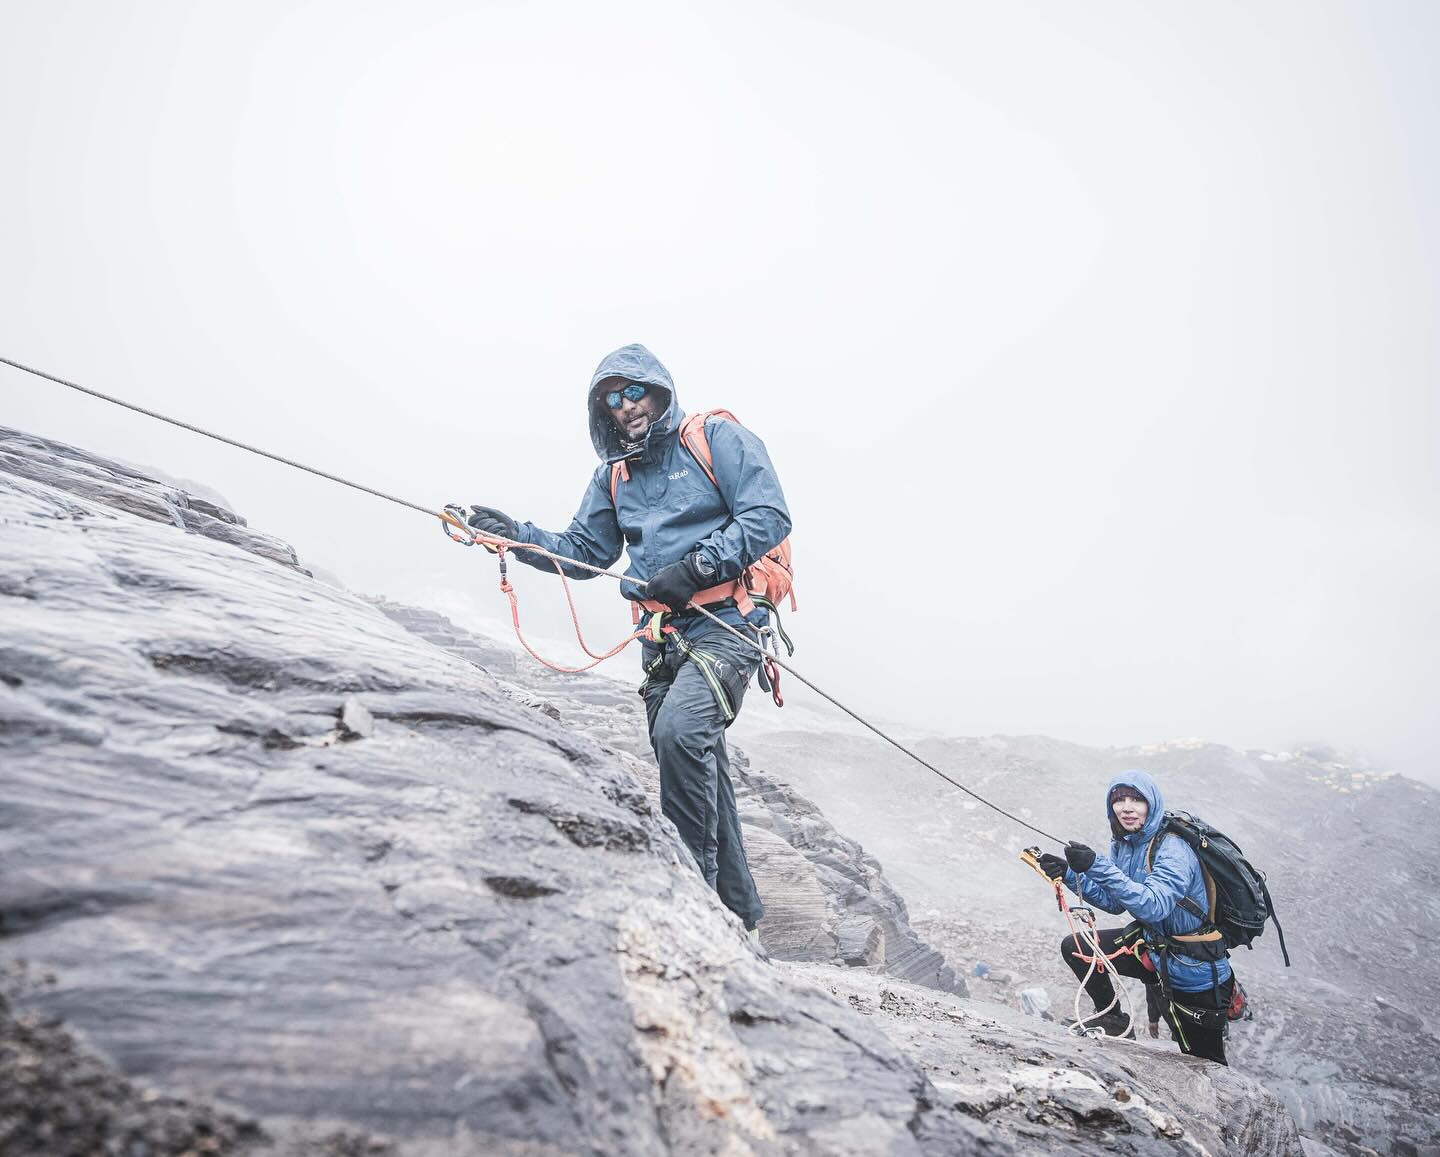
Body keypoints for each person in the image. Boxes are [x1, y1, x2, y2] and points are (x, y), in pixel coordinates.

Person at [466, 344, 791, 933]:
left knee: (680, 734)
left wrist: (695, 569)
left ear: (659, 390)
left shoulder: (715, 439)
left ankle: (692, 895)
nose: (626, 407)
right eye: (612, 400)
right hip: (661, 638)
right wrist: (517, 536)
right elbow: (587, 555)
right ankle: (738, 916)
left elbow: (768, 516)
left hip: (729, 625)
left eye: (634, 391)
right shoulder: (612, 476)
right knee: (697, 762)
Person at [1037, 770, 1235, 1064]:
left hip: (1192, 964)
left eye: (1136, 800)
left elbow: (1154, 906)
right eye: (1119, 800)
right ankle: (1112, 1019)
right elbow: (1116, 902)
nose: (1126, 807)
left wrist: (1097, 866)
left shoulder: (1173, 848)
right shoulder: (1126, 843)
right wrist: (1068, 874)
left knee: (1204, 1060)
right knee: (1077, 948)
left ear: (1151, 804)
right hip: (1153, 948)